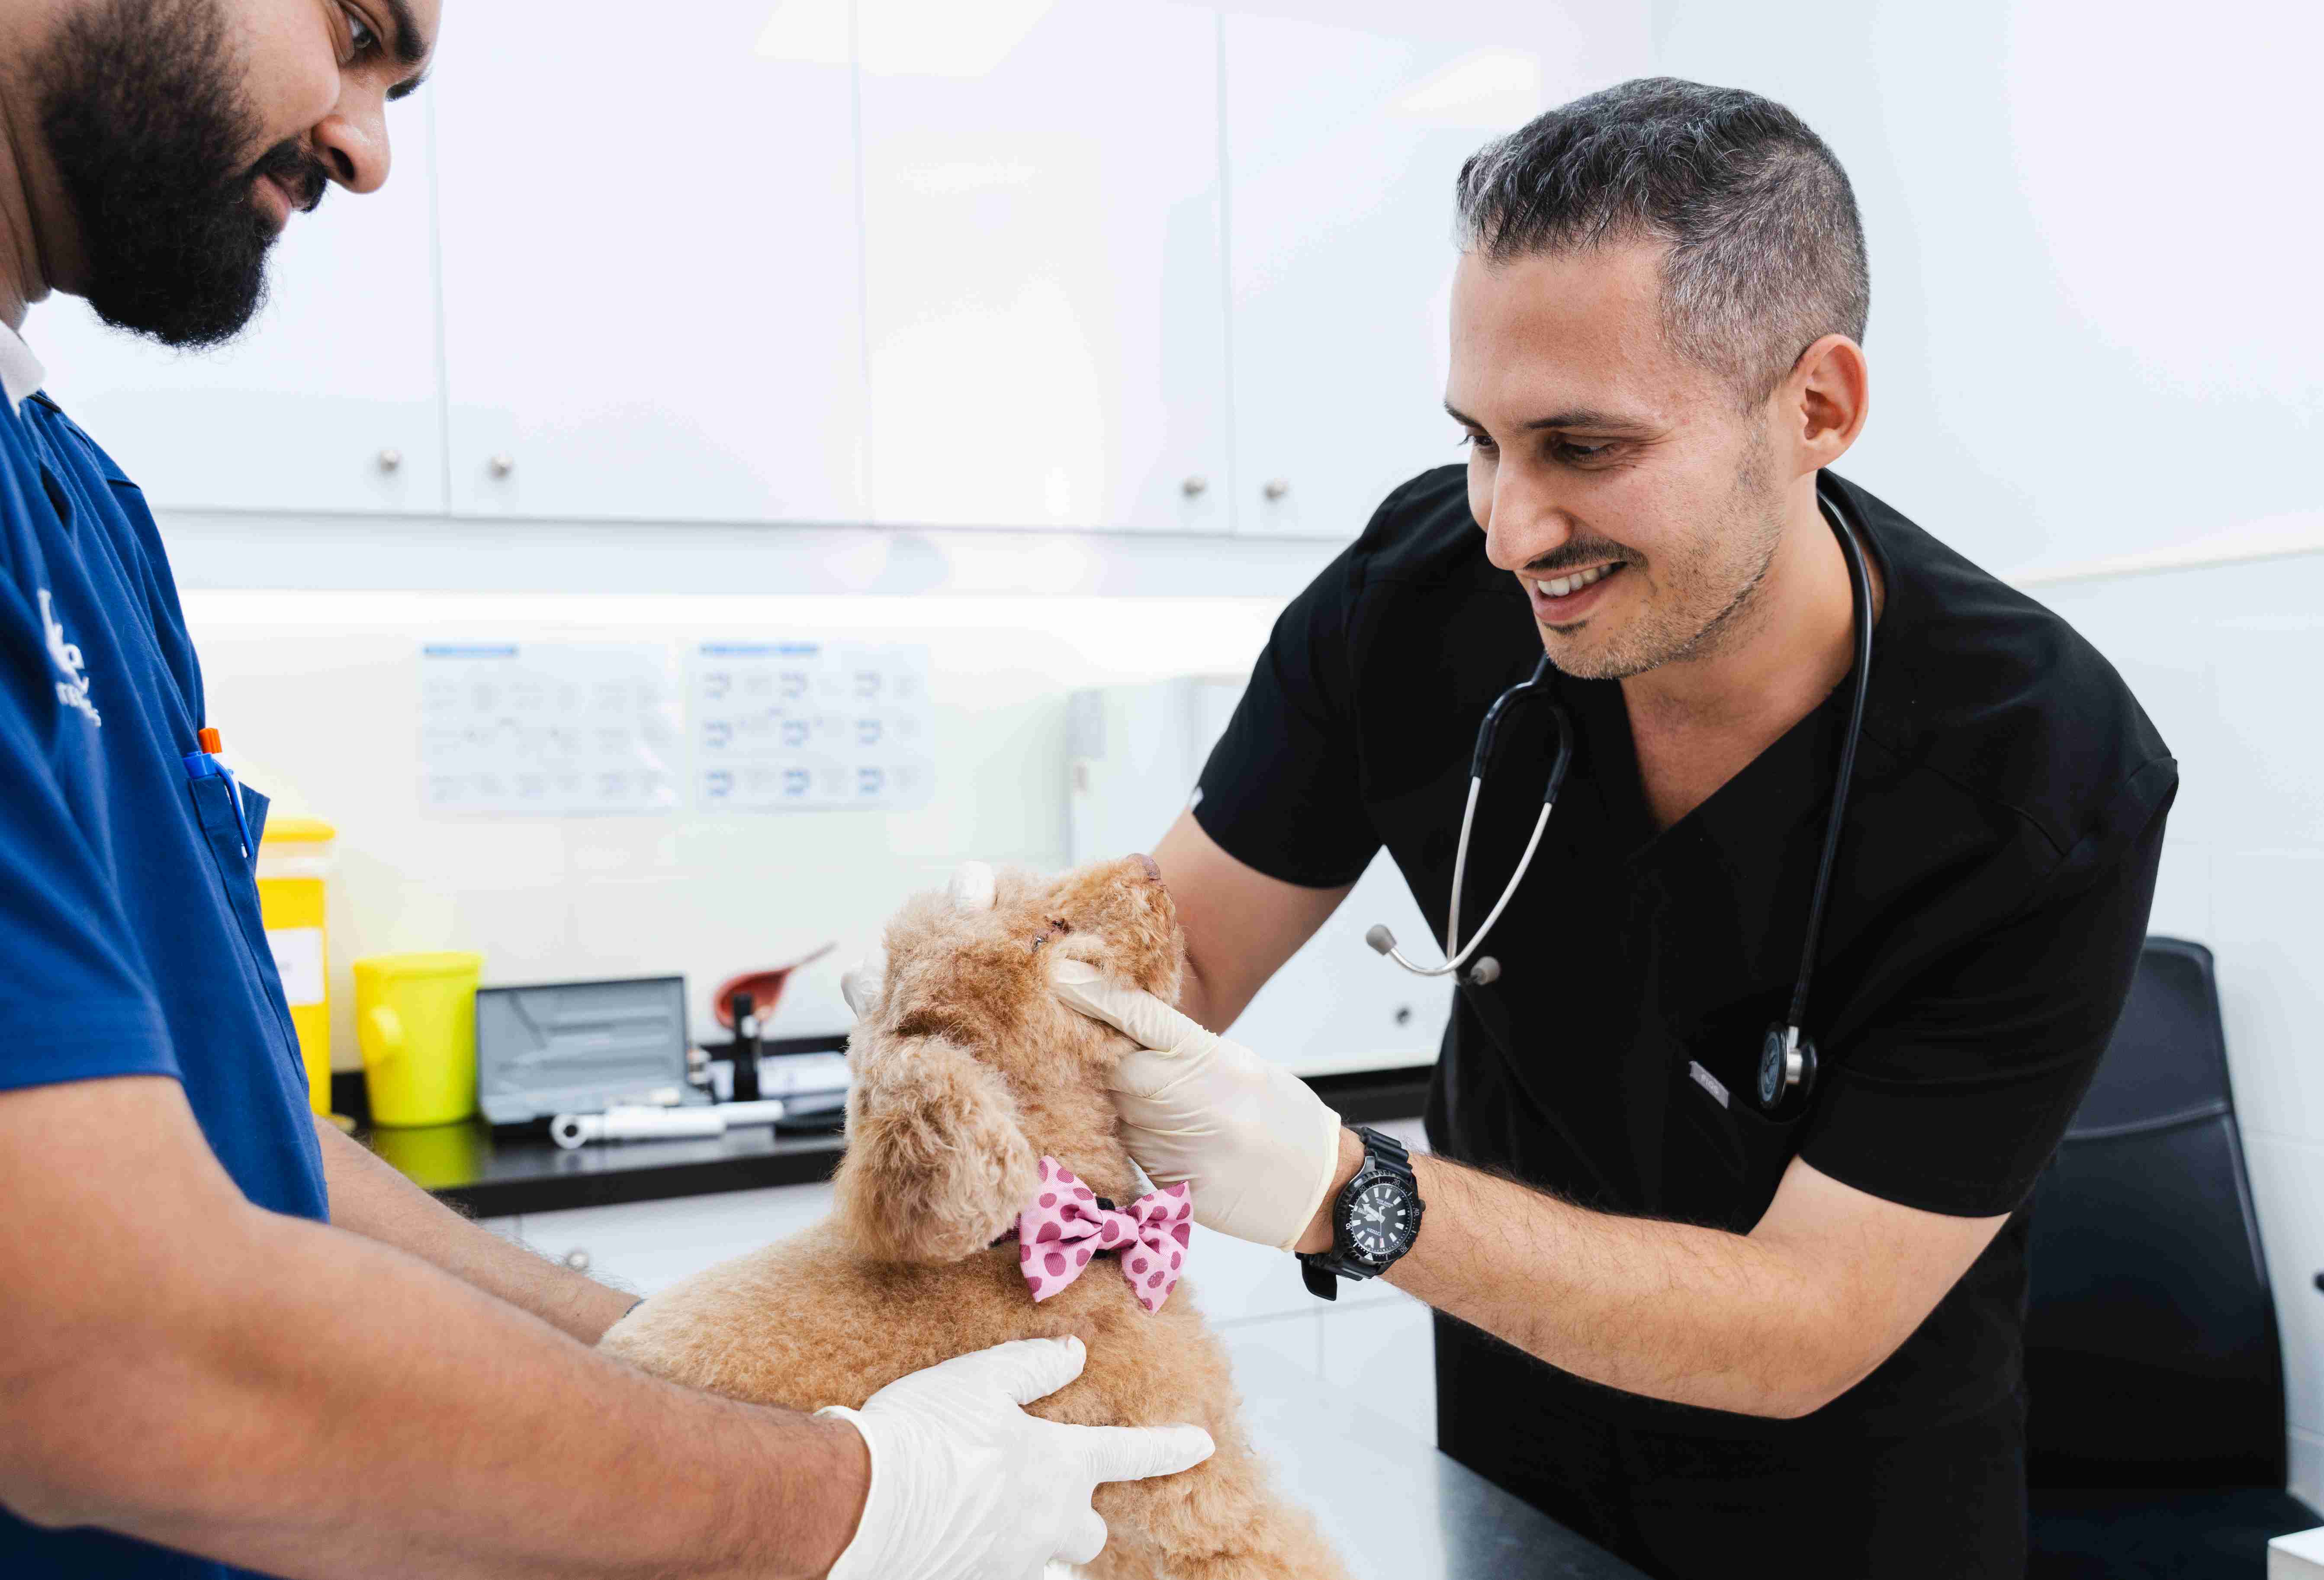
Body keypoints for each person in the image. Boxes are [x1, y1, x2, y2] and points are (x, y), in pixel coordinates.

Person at [0, 3, 1207, 1577]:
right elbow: (116, 1348)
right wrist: (855, 1496)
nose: (366, 149)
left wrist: (699, 1353)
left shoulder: (81, 506)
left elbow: (259, 1159)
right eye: (357, 30)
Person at [1053, 79, 2176, 1578]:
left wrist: (1347, 1193)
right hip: (1510, 1467)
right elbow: (1181, 945)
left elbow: (1806, 1321)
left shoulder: (2042, 768)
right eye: (1482, 441)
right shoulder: (1420, 593)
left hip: (1851, 1508)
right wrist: (1011, 1003)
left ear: (1816, 409)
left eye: (1584, 448)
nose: (1512, 527)